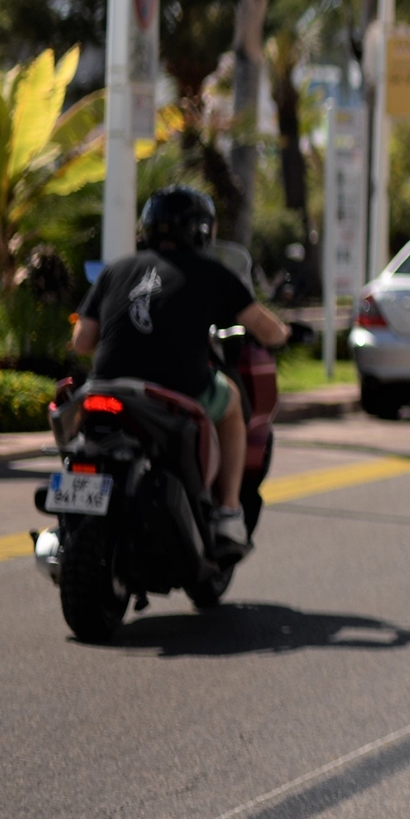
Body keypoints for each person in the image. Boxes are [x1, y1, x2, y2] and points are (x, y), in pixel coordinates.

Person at [71, 188, 288, 559]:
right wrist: (285, 333)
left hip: (105, 386)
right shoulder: (211, 271)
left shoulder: (116, 270)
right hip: (175, 390)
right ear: (202, 230)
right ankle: (228, 512)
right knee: (232, 401)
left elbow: (82, 341)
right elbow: (268, 331)